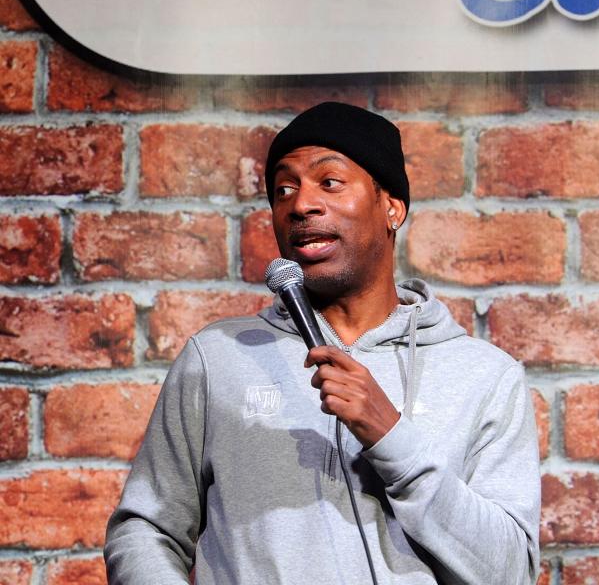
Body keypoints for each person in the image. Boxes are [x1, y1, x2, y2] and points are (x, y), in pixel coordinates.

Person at [104, 102, 541, 585]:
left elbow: (510, 572)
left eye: (329, 182)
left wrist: (393, 438)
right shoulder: (219, 358)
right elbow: (145, 529)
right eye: (284, 189)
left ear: (391, 207)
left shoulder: (486, 376)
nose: (301, 204)